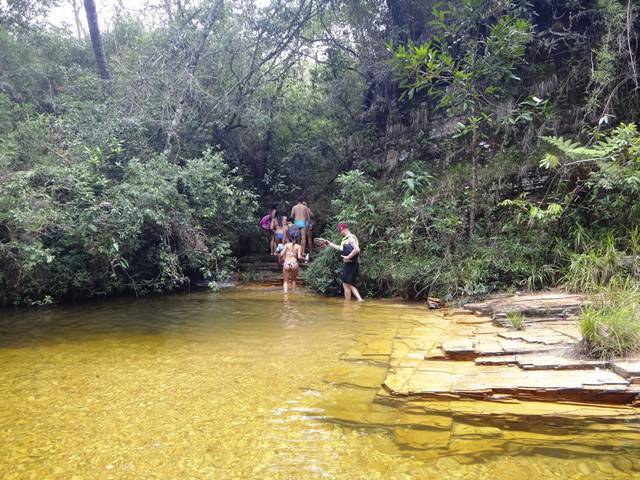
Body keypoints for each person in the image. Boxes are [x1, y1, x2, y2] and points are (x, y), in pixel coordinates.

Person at [318, 223, 363, 301]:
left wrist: (347, 257)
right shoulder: (347, 238)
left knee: (345, 285)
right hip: (352, 264)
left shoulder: (350, 238)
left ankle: (347, 304)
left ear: (343, 229)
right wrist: (329, 243)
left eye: (340, 230)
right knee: (348, 284)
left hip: (350, 264)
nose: (340, 232)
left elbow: (357, 249)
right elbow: (340, 248)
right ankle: (360, 300)